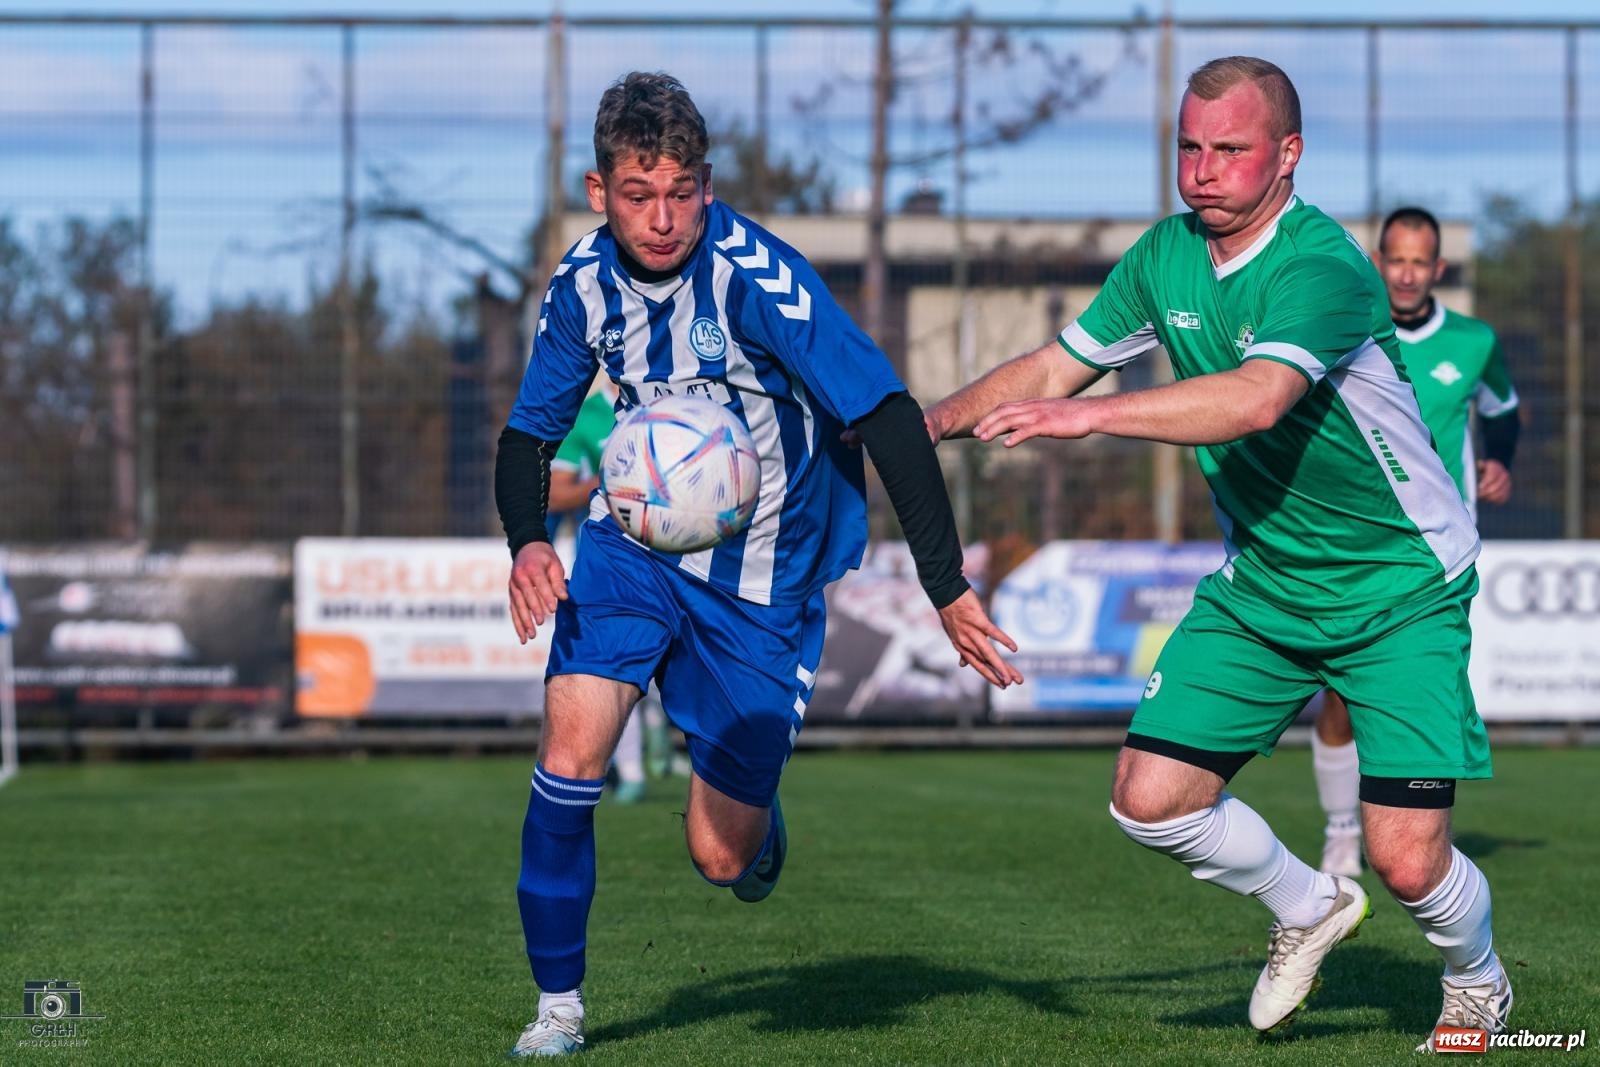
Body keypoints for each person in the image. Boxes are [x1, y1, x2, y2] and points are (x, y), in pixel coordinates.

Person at [926, 57, 1511, 1050]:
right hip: (1265, 587)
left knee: (1407, 859)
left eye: (1228, 149)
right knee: (1149, 799)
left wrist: (1088, 421)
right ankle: (1306, 903)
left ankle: (1477, 979)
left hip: (1400, 587)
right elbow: (1050, 363)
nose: (1202, 171)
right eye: (1188, 148)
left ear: (1286, 155)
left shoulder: (1321, 267)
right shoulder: (1163, 255)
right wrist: (920, 423)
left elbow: (1254, 397)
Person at [494, 71, 1021, 1057]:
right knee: (569, 756)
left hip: (762, 582)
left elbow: (888, 415)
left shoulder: (756, 276)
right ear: (600, 188)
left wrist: (945, 584)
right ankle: (558, 1005)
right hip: (633, 547)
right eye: (639, 194)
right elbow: (529, 432)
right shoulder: (580, 286)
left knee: (719, 853)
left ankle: (754, 825)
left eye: (684, 190)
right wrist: (528, 537)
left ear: (706, 182)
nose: (663, 217)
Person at [1311, 205, 1520, 879]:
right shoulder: (1345, 326)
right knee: (1339, 691)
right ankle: (1342, 833)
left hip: (1439, 554)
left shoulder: (1474, 341)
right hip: (1359, 544)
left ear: (1439, 268)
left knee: (1431, 694)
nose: (1404, 274)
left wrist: (1500, 461)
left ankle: (1425, 844)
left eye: (1417, 262)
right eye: (1393, 260)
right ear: (1378, 263)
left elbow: (1502, 410)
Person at [545, 380, 675, 805]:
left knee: (667, 671)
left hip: (683, 558)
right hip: (614, 567)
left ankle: (657, 718)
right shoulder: (588, 418)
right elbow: (555, 493)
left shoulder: (682, 396)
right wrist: (610, 481)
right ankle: (633, 774)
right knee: (611, 670)